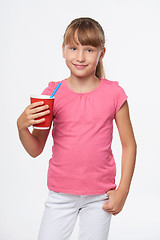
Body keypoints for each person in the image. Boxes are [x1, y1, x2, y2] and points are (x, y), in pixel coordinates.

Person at [17, 17, 137, 240]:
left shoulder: (114, 94)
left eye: (89, 50)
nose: (80, 57)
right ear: (63, 50)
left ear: (102, 53)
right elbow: (35, 149)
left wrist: (123, 191)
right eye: (73, 48)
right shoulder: (52, 94)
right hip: (60, 195)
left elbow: (129, 145)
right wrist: (21, 127)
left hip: (100, 197)